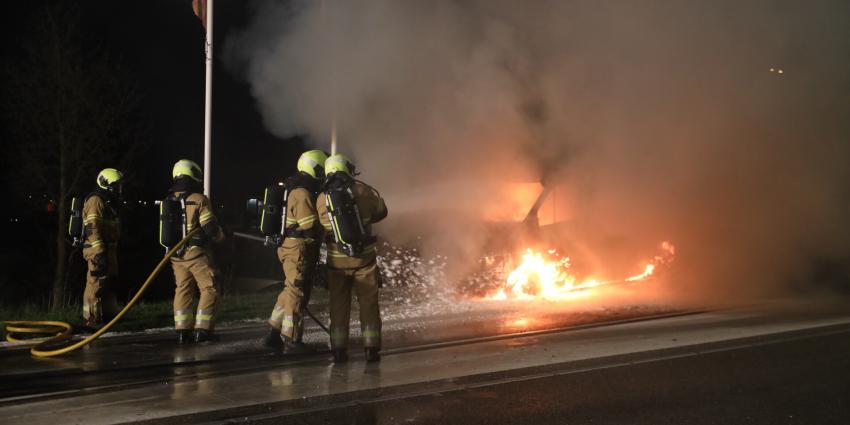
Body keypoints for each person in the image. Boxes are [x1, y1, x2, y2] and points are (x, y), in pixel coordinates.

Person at [316, 154, 388, 363]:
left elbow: (320, 226)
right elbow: (381, 212)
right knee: (369, 304)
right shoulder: (364, 191)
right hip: (364, 260)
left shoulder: (322, 198)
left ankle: (339, 350)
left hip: (336, 264)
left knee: (338, 305)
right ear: (347, 169)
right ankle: (371, 348)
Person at [263, 149, 328, 354]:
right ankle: (291, 340)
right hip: (297, 249)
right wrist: (328, 226)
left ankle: (273, 334)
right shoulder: (301, 193)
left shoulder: (298, 189)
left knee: (290, 289)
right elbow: (308, 224)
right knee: (297, 292)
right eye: (322, 170)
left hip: (293, 248)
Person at [167, 159, 225, 344]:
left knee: (183, 289)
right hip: (196, 254)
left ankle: (183, 332)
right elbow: (210, 227)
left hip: (176, 256)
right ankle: (203, 330)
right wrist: (221, 237)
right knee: (210, 288)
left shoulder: (169, 200)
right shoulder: (199, 199)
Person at [81, 168, 124, 327]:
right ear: (107, 185)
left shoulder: (108, 201)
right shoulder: (96, 200)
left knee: (108, 282)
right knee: (96, 283)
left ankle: (108, 317)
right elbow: (92, 227)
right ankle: (91, 319)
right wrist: (99, 252)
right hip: (97, 248)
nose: (120, 189)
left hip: (108, 248)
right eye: (116, 186)